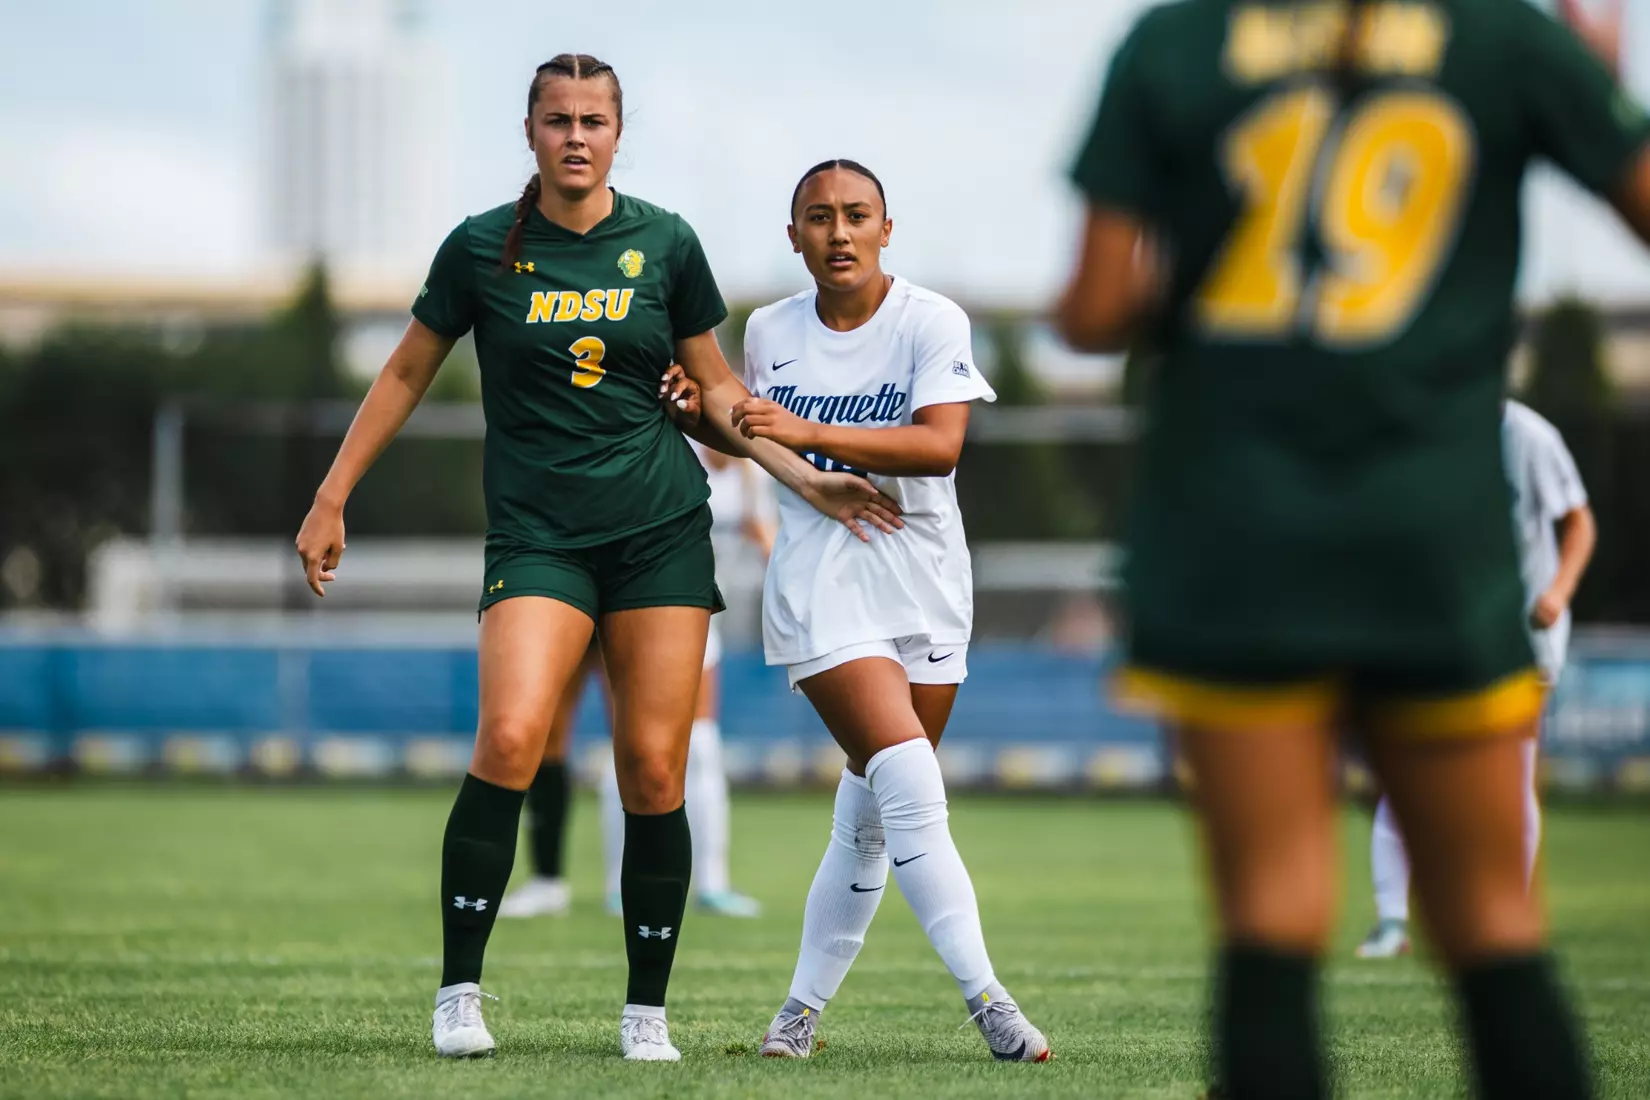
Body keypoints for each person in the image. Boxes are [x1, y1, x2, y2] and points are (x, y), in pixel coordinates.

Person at [1055, 2, 1650, 1097]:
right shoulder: (1503, 37)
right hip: (1430, 533)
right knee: (1491, 916)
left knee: (1270, 913)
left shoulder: (1176, 40)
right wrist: (1596, 83)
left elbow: (1092, 310)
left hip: (1236, 529)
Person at [294, 53, 900, 1063]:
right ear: (529, 132)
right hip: (537, 537)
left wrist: (807, 478)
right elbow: (404, 369)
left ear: (619, 134)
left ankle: (645, 1013)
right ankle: (458, 992)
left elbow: (714, 393)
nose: (576, 136)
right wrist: (332, 491)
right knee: (511, 736)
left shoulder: (664, 244)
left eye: (594, 120)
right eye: (558, 119)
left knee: (656, 766)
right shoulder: (482, 248)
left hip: (661, 532)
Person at [740, 159, 1051, 1062]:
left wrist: (805, 430)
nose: (838, 232)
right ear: (792, 234)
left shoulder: (931, 320)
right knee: (911, 784)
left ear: (886, 228)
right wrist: (709, 413)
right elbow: (745, 428)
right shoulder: (767, 330)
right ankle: (988, 1000)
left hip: (925, 577)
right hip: (820, 582)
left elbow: (940, 447)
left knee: (872, 812)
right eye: (818, 217)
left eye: (856, 215)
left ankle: (797, 1015)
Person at [1358, 399, 1596, 958]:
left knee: (1511, 771)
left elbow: (1580, 522)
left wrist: (1558, 593)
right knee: (1405, 768)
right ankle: (1392, 922)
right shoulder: (1420, 428)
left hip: (1521, 633)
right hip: (1439, 628)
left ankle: (1506, 915)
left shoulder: (1531, 436)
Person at [500, 441, 772, 921]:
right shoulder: (671, 449)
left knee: (700, 744)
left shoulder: (751, 472)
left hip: (691, 612)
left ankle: (712, 881)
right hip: (628, 599)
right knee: (580, 741)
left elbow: (762, 532)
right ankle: (586, 882)